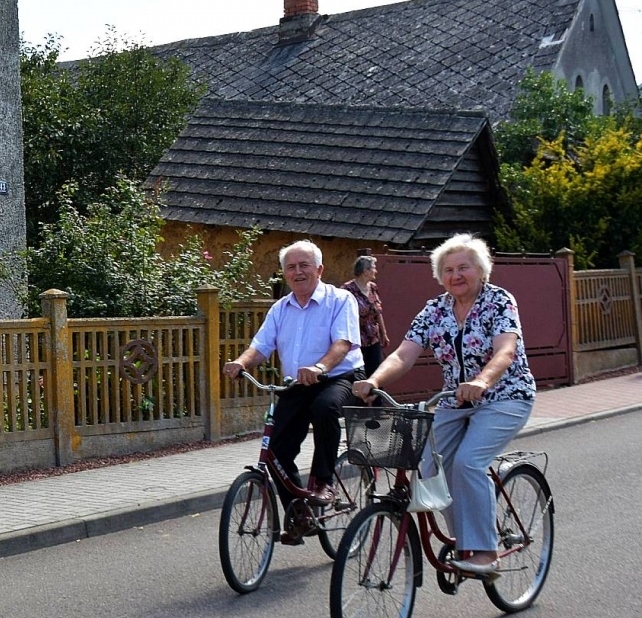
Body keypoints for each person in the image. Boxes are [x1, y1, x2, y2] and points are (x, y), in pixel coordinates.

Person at [353, 234, 536, 579]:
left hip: (505, 396)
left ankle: (486, 553)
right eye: (448, 270)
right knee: (429, 464)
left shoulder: (499, 301)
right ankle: (465, 540)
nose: (456, 275)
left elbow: (506, 351)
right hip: (454, 400)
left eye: (464, 267)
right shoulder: (435, 310)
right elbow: (404, 354)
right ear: (440, 276)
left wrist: (482, 381)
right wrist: (374, 380)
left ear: (481, 270)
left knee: (468, 462)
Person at [223, 240, 363, 521]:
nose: (297, 272)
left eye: (304, 265)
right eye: (291, 267)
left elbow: (342, 344)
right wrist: (241, 362)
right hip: (298, 384)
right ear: (284, 273)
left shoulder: (340, 299)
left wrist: (319, 367)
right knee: (275, 451)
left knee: (324, 408)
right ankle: (299, 515)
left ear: (319, 269)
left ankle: (324, 481)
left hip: (339, 377)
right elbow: (260, 346)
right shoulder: (280, 308)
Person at [342, 255, 390, 372]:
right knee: (359, 373)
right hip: (356, 341)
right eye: (373, 268)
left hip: (373, 339)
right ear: (365, 271)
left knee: (375, 372)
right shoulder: (347, 290)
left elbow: (378, 311)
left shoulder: (373, 287)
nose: (376, 271)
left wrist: (383, 333)